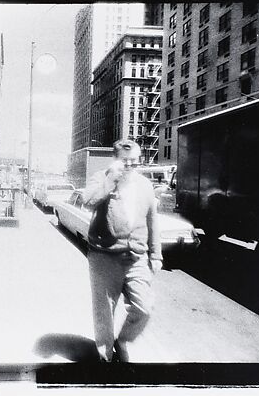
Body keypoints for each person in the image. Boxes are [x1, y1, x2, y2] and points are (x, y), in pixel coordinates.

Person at [83, 139, 162, 362]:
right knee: (104, 312)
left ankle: (123, 340)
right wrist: (111, 180)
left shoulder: (144, 185)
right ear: (115, 160)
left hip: (136, 257)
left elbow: (152, 220)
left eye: (134, 163)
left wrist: (156, 254)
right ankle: (104, 356)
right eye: (125, 163)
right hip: (104, 257)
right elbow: (88, 201)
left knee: (144, 307)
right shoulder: (101, 178)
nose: (130, 168)